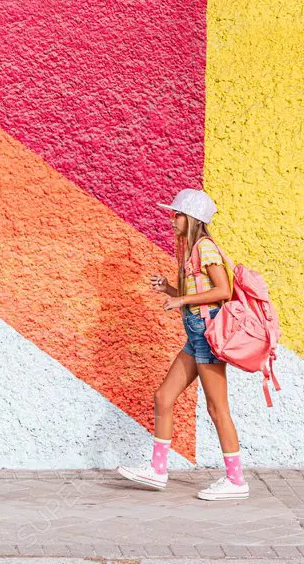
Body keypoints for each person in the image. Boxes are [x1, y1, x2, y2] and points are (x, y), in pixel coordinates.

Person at [117, 188, 249, 501]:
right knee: (164, 396)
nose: (172, 218)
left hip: (206, 333)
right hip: (195, 335)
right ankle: (158, 470)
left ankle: (235, 480)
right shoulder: (190, 252)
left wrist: (183, 299)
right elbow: (195, 296)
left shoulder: (205, 247)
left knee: (217, 408)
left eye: (177, 214)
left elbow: (222, 290)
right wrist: (169, 290)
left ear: (191, 218)